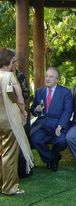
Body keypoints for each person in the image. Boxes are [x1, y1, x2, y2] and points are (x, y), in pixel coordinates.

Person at [0, 48, 34, 195]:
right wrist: (23, 111)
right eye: (14, 62)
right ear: (9, 62)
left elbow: (7, 95)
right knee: (9, 153)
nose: (15, 65)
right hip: (8, 120)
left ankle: (2, 182)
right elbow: (19, 100)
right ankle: (9, 187)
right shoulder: (10, 77)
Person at [30, 67, 72, 171]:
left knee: (61, 141)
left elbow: (67, 111)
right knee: (35, 139)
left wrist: (60, 126)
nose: (47, 79)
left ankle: (53, 155)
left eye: (51, 77)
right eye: (47, 76)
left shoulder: (65, 92)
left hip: (57, 124)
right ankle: (52, 159)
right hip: (42, 125)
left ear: (57, 79)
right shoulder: (39, 92)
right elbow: (33, 108)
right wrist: (36, 109)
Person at [10, 50, 33, 178]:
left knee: (20, 140)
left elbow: (25, 94)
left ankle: (22, 170)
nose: (16, 64)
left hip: (17, 111)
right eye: (14, 61)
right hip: (7, 113)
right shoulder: (6, 76)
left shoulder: (19, 75)